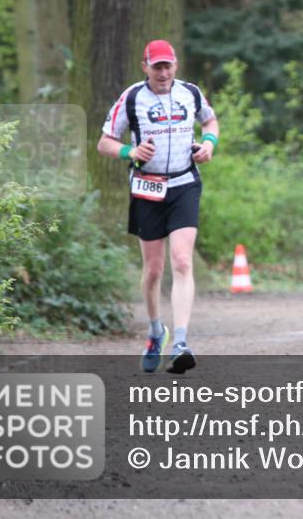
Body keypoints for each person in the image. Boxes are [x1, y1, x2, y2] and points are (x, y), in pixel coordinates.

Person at [97, 39, 219, 374]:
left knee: (182, 261)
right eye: (157, 66)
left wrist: (208, 145)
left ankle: (180, 342)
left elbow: (210, 122)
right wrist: (129, 153)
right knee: (153, 270)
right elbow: (104, 142)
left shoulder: (190, 93)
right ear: (145, 67)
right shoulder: (133, 97)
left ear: (176, 65)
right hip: (147, 188)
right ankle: (155, 332)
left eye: (168, 66)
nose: (163, 73)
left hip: (183, 184)